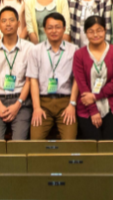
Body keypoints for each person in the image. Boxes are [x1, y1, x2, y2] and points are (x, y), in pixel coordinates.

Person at [27, 12, 80, 141]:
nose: (54, 31)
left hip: (66, 102)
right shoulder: (35, 50)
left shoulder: (74, 50)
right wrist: (36, 108)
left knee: (69, 143)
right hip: (43, 103)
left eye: (57, 27)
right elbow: (33, 80)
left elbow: (77, 80)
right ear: (44, 30)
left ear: (64, 28)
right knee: (34, 142)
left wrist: (72, 105)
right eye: (50, 27)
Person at [0, 7, 34, 141]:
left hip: (21, 102)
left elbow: (29, 80)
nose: (8, 24)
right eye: (4, 20)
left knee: (18, 144)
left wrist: (18, 104)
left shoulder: (29, 48)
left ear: (18, 24)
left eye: (12, 20)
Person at [72, 15, 113, 140]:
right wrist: (93, 110)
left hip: (111, 106)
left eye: (99, 30)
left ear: (105, 30)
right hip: (86, 108)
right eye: (91, 31)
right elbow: (82, 85)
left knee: (108, 145)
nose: (95, 34)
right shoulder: (79, 55)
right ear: (85, 33)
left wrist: (95, 96)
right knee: (93, 144)